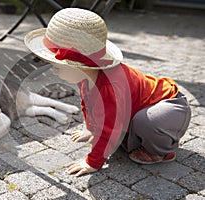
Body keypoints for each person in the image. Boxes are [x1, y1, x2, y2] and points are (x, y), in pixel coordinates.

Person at [24, 8, 191, 177]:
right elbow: (87, 104)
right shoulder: (87, 77)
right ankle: (137, 134)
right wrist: (90, 129)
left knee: (145, 122)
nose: (54, 72)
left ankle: (162, 151)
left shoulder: (111, 86)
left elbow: (108, 128)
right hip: (137, 107)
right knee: (126, 128)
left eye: (57, 66)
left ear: (79, 66)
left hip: (169, 108)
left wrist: (92, 162)